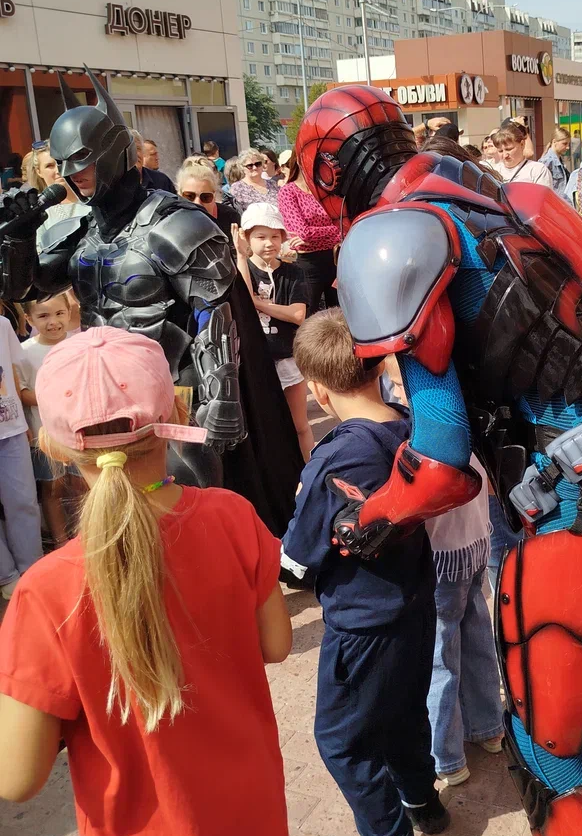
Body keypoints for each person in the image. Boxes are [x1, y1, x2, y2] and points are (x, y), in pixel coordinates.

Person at [294, 83, 582, 836]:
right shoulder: (487, 191)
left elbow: (440, 462)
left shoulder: (396, 235)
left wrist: (370, 520)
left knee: (551, 737)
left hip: (581, 490)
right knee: (564, 707)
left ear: (328, 171)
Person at [0, 326, 291, 836]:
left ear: (52, 445)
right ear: (177, 414)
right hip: (239, 808)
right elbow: (275, 645)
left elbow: (17, 777)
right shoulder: (233, 516)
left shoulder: (45, 592)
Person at [0, 72, 302, 539]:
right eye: (63, 165)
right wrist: (18, 238)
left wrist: (222, 398)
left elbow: (216, 315)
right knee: (124, 518)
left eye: (83, 161)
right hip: (106, 397)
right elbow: (27, 289)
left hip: (176, 394)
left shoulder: (175, 222)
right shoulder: (87, 231)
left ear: (113, 153)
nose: (72, 175)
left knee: (191, 519)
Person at [281, 310, 448, 836]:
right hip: (414, 601)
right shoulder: (410, 425)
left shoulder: (334, 458)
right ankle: (423, 801)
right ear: (379, 368)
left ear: (318, 390)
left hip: (361, 621)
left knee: (343, 741)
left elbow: (297, 564)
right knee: (402, 710)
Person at [384, 356, 503, 788]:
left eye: (400, 385)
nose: (396, 394)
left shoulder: (422, 443)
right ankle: (489, 727)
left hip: (442, 559)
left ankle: (447, 756)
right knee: (476, 635)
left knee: (440, 656)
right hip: (476, 545)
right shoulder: (470, 429)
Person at [235, 203, 311, 463]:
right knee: (267, 427)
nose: (269, 243)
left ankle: (309, 469)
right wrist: (241, 257)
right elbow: (244, 299)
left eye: (275, 236)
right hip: (257, 359)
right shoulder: (241, 269)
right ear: (246, 238)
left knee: (300, 424)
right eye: (260, 236)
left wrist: (260, 304)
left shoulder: (293, 272)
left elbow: (298, 314)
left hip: (288, 354)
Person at [18, 293, 77, 548]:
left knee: (82, 483)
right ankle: (60, 542)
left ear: (69, 313)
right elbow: (21, 392)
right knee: (53, 488)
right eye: (43, 316)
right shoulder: (24, 353)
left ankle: (84, 536)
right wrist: (56, 397)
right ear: (29, 319)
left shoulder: (80, 344)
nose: (53, 322)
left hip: (79, 431)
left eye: (59, 314)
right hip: (45, 434)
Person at [0, 310, 42, 600]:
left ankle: (33, 570)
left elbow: (12, 373)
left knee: (24, 501)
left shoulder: (3, 325)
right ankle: (6, 574)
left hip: (11, 429)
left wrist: (23, 420)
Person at [277, 155, 341, 313]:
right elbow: (303, 232)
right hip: (308, 263)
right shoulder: (288, 192)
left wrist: (333, 232)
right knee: (308, 314)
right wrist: (334, 232)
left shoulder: (327, 191)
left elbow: (342, 227)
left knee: (339, 313)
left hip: (334, 258)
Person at [24, 140, 91, 249]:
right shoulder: (36, 209)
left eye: (60, 163)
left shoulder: (93, 200)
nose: (58, 170)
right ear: (39, 171)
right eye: (49, 166)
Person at [177, 159, 242, 238]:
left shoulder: (230, 218)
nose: (197, 203)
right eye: (189, 196)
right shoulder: (170, 224)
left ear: (214, 196)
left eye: (205, 197)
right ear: (179, 195)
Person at [490, 120, 553, 186]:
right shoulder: (493, 173)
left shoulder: (538, 170)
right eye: (500, 151)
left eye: (509, 149)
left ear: (522, 144)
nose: (505, 155)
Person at [539, 127, 571, 193]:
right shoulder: (547, 161)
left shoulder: (559, 160)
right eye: (564, 144)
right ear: (554, 141)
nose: (568, 147)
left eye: (568, 144)